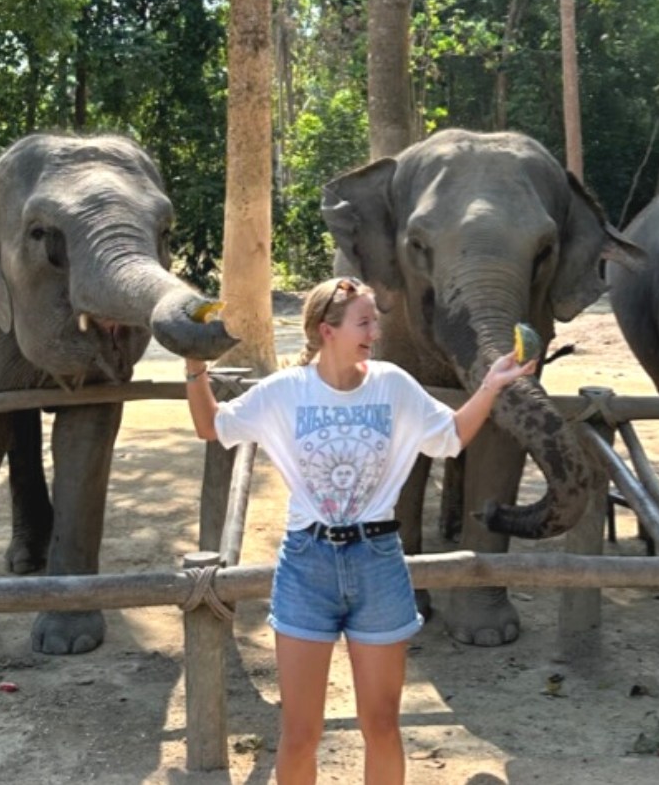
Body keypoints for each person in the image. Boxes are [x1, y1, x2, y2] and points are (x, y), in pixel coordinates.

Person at [185, 276, 534, 784]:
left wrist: (491, 385)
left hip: (378, 563)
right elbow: (210, 426)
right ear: (328, 330)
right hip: (307, 565)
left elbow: (452, 435)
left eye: (376, 320)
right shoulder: (285, 391)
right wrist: (195, 364)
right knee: (301, 731)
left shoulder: (392, 384)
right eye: (364, 321)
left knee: (382, 725)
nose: (375, 330)